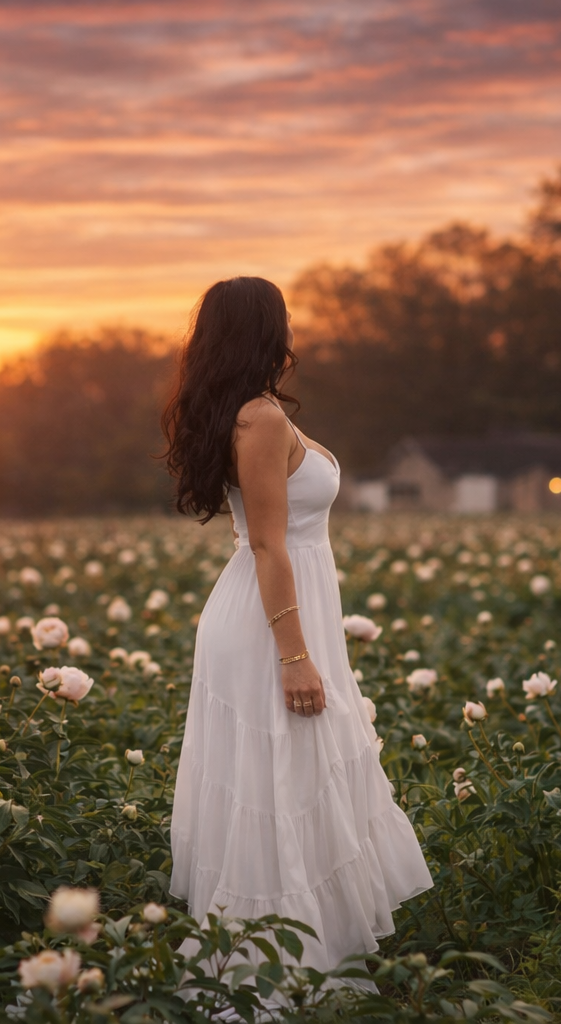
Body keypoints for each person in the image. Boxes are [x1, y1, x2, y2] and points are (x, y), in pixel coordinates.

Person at [158, 276, 432, 992]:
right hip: (268, 625)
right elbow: (269, 546)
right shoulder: (261, 420)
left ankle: (307, 961)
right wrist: (296, 658)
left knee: (295, 780)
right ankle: (264, 976)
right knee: (276, 785)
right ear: (265, 331)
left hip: (277, 615)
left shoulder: (257, 414)